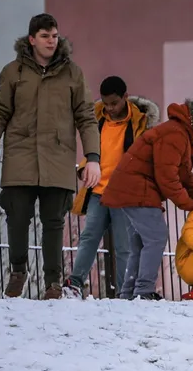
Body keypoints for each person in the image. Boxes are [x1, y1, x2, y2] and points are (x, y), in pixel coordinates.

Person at [0, 13, 101, 299]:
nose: (51, 41)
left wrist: (92, 156)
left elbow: (86, 116)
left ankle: (53, 283)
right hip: (20, 155)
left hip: (57, 157)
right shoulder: (13, 71)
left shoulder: (73, 73)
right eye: (45, 36)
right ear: (32, 39)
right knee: (17, 218)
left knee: (54, 221)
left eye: (55, 36)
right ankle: (18, 271)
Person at [102, 97, 193, 300]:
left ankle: (130, 293)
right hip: (137, 187)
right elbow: (167, 176)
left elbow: (183, 174)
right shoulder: (176, 133)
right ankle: (143, 290)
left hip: (135, 187)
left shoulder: (182, 133)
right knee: (156, 237)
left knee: (141, 242)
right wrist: (189, 203)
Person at [63, 76, 160, 298]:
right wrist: (85, 167)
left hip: (124, 194)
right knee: (89, 236)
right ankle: (75, 284)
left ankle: (123, 294)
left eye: (114, 103)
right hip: (98, 190)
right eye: (106, 103)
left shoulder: (139, 122)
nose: (110, 108)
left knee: (124, 246)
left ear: (125, 98)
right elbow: (92, 148)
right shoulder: (97, 117)